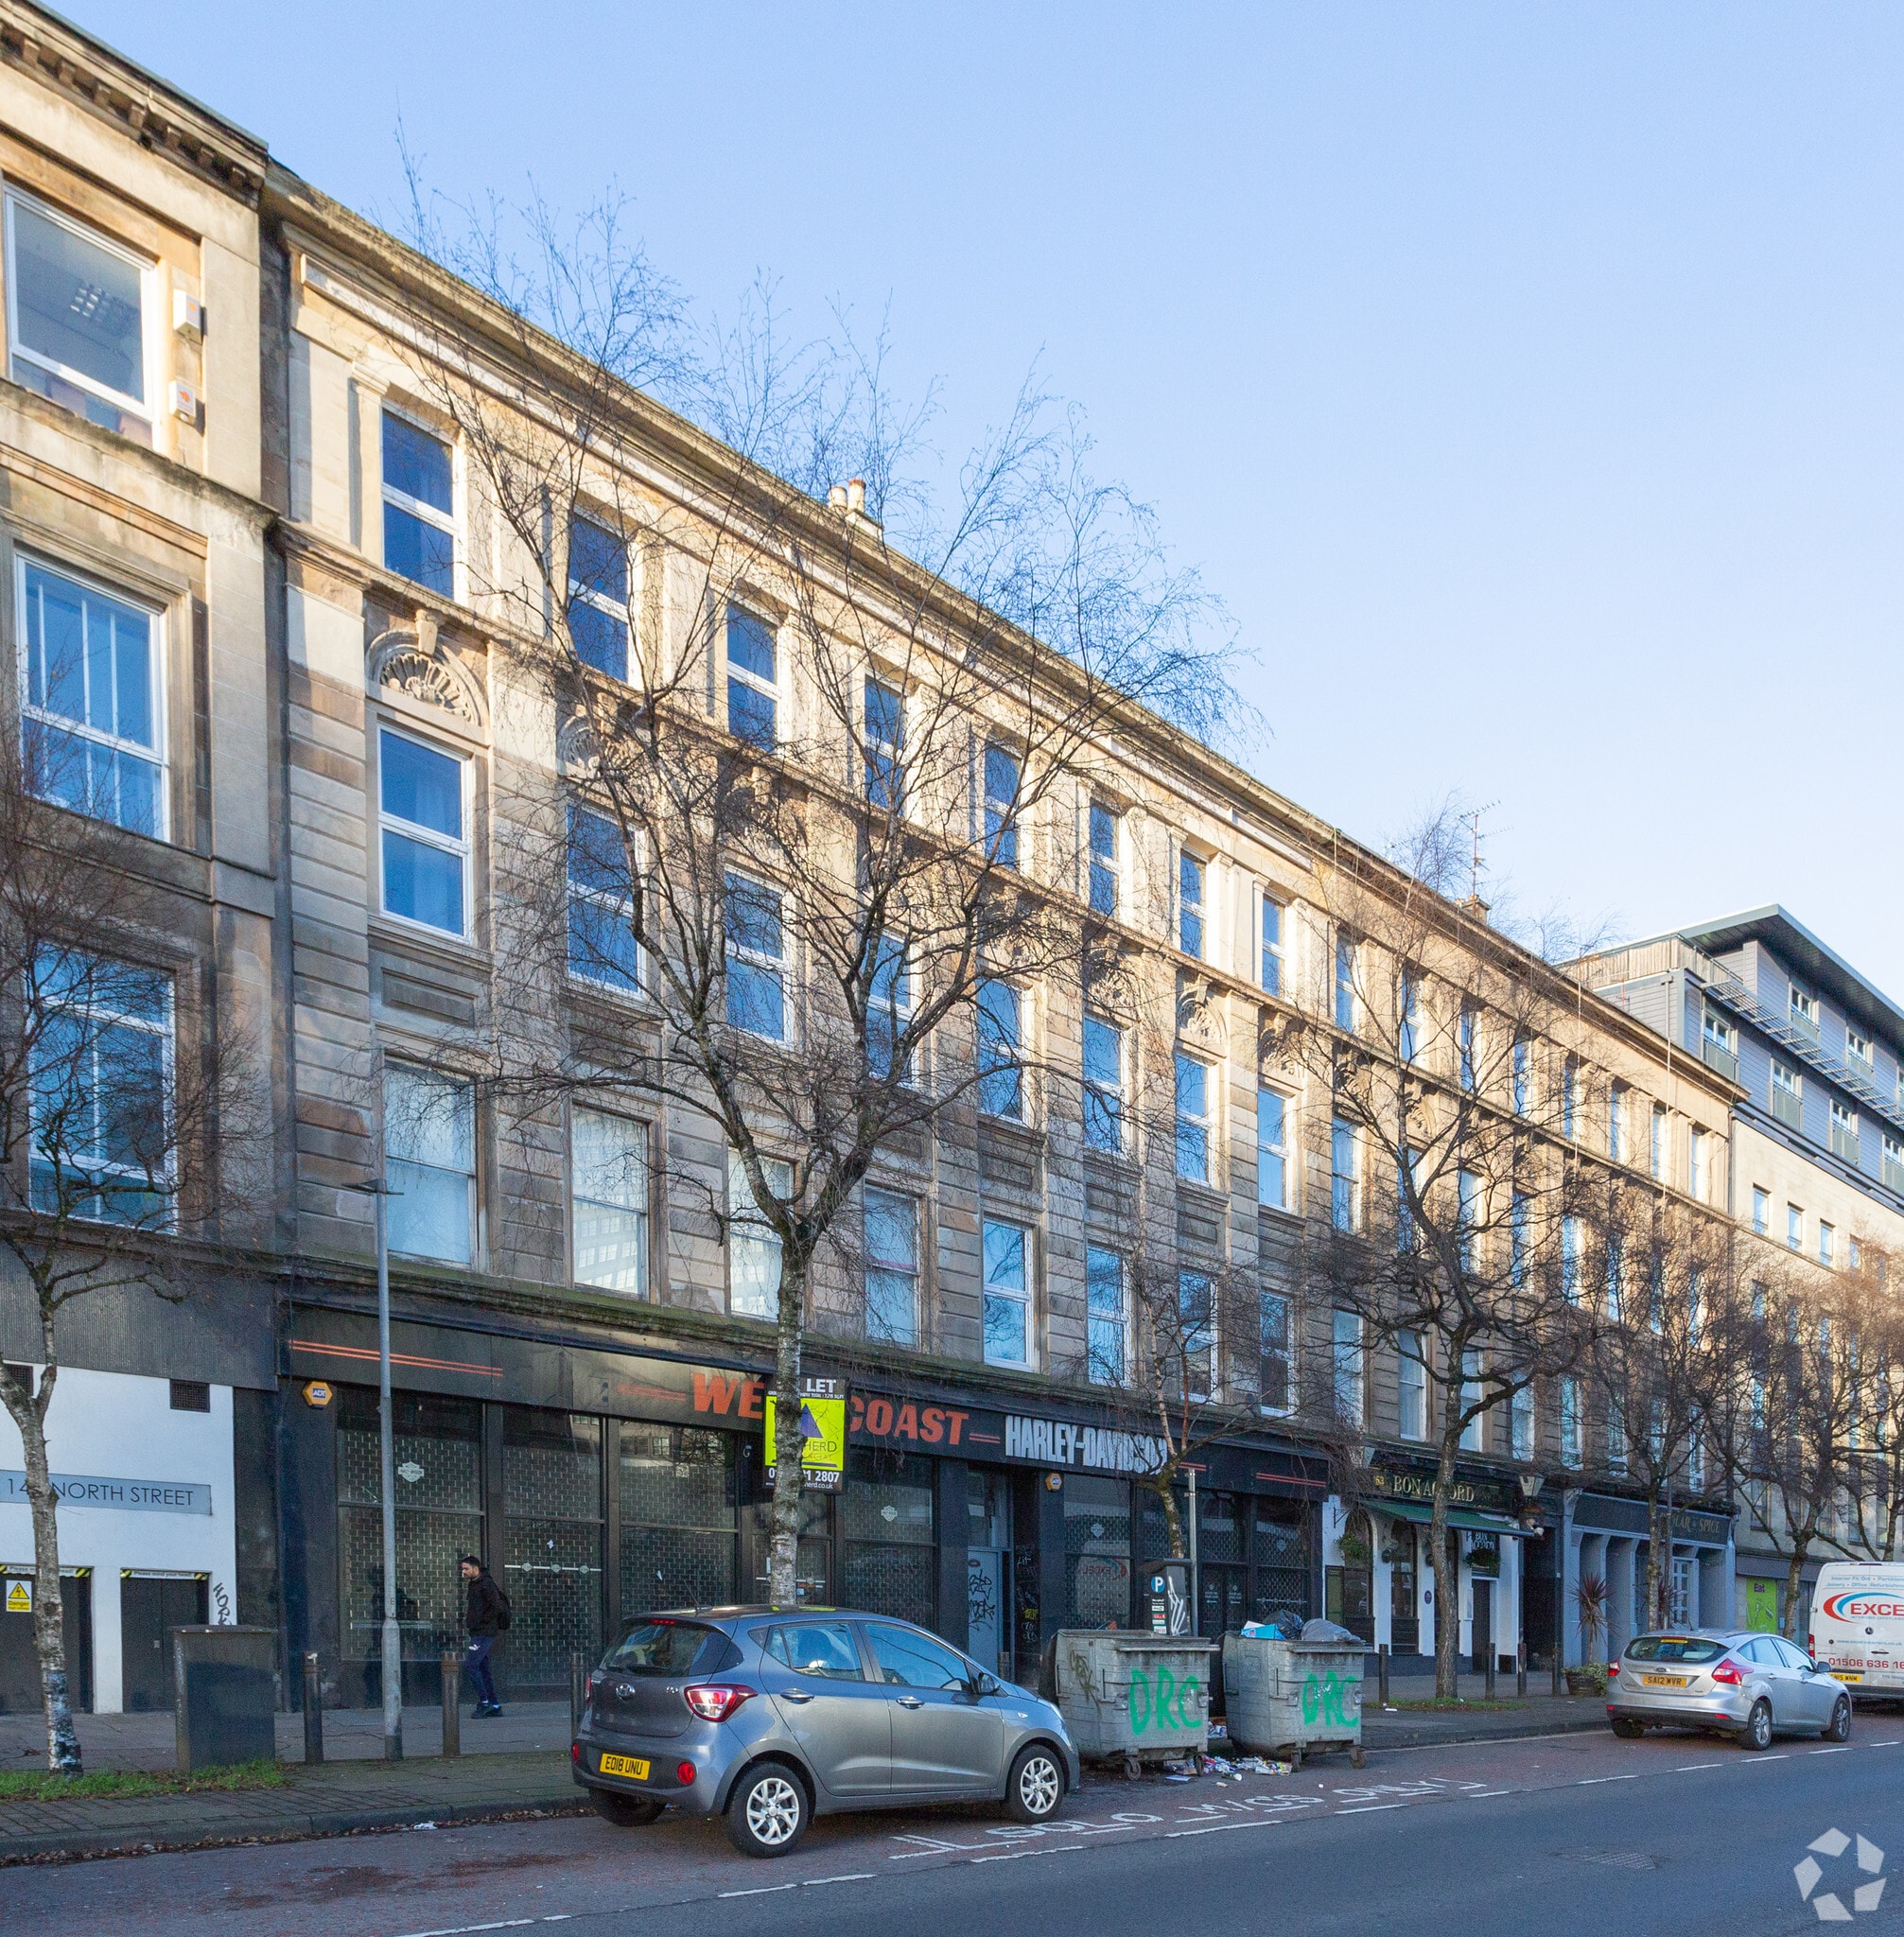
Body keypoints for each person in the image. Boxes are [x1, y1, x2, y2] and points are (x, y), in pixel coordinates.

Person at [460, 1555, 507, 1717]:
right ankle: (494, 1705)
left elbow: (498, 1607)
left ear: (475, 1568)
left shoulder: (486, 1584)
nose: (464, 1572)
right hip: (478, 1632)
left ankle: (484, 1702)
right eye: (462, 1569)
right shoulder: (474, 1584)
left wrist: (482, 1621)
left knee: (471, 1665)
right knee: (483, 1668)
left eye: (466, 1569)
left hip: (484, 1633)